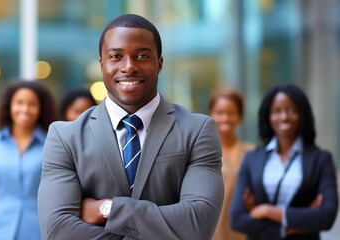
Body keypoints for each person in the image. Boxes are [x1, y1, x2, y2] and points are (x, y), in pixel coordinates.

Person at [38, 13, 224, 239]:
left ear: (159, 63)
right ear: (102, 64)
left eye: (142, 56)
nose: (128, 67)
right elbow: (57, 230)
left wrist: (107, 209)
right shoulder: (65, 137)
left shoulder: (197, 130)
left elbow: (198, 223)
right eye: (116, 56)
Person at [230, 84, 338, 240]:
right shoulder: (252, 158)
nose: (284, 117)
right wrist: (295, 226)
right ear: (268, 115)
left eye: (292, 110)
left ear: (302, 114)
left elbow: (326, 216)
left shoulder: (321, 159)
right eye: (276, 111)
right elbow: (237, 219)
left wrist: (267, 211)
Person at [0, 80, 56, 240]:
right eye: (19, 103)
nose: (25, 109)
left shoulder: (52, 145)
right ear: (9, 106)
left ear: (41, 109)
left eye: (32, 104)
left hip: (40, 232)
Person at [209, 87, 254, 240]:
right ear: (210, 114)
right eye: (219, 113)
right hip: (212, 232)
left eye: (231, 113)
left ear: (240, 116)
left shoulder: (252, 153)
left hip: (244, 232)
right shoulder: (202, 152)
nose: (225, 118)